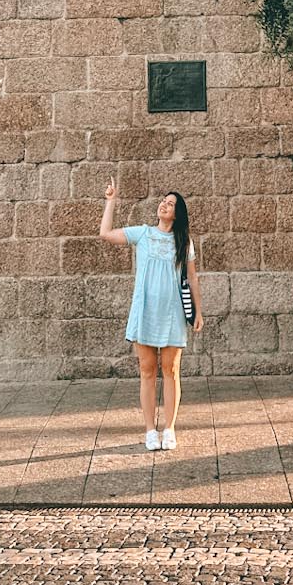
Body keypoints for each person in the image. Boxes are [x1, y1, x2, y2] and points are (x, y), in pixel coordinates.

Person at [99, 177, 202, 451]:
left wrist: (198, 312)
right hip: (144, 312)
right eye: (163, 201)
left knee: (171, 370)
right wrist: (111, 202)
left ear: (178, 214)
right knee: (147, 370)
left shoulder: (184, 242)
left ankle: (170, 428)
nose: (164, 205)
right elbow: (106, 234)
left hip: (173, 313)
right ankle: (149, 430)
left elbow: (192, 279)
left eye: (171, 203)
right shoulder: (142, 233)